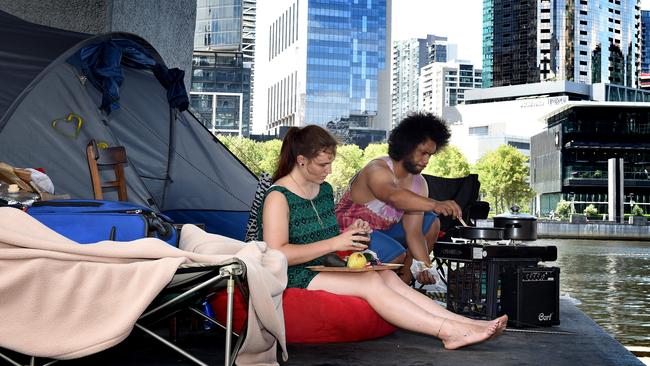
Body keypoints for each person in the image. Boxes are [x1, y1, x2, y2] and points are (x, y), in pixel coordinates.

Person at [258, 124, 506, 349]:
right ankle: (448, 332)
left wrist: (354, 230)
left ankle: (466, 323)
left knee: (385, 273)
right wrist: (336, 242)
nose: (330, 170)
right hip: (294, 274)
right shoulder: (278, 196)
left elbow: (328, 234)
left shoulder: (324, 190)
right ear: (301, 161)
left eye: (330, 163)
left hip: (322, 264)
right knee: (371, 282)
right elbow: (276, 254)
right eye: (323, 164)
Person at [335, 112, 462, 285]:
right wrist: (435, 204)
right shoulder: (377, 169)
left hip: (383, 232)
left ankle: (404, 288)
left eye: (430, 155)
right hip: (351, 231)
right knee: (396, 254)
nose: (426, 161)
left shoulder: (420, 184)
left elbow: (414, 233)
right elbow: (394, 196)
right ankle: (378, 296)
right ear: (406, 146)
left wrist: (425, 267)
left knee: (431, 222)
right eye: (422, 153)